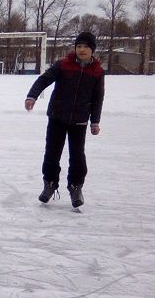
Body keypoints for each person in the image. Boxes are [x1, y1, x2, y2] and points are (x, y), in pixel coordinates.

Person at [25, 31, 105, 208]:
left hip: (80, 120)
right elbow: (44, 79)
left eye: (85, 47)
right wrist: (32, 96)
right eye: (79, 46)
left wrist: (95, 121)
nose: (82, 50)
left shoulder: (97, 72)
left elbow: (98, 98)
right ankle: (50, 184)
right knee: (52, 154)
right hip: (57, 117)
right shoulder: (63, 65)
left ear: (92, 50)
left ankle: (76, 186)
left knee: (77, 157)